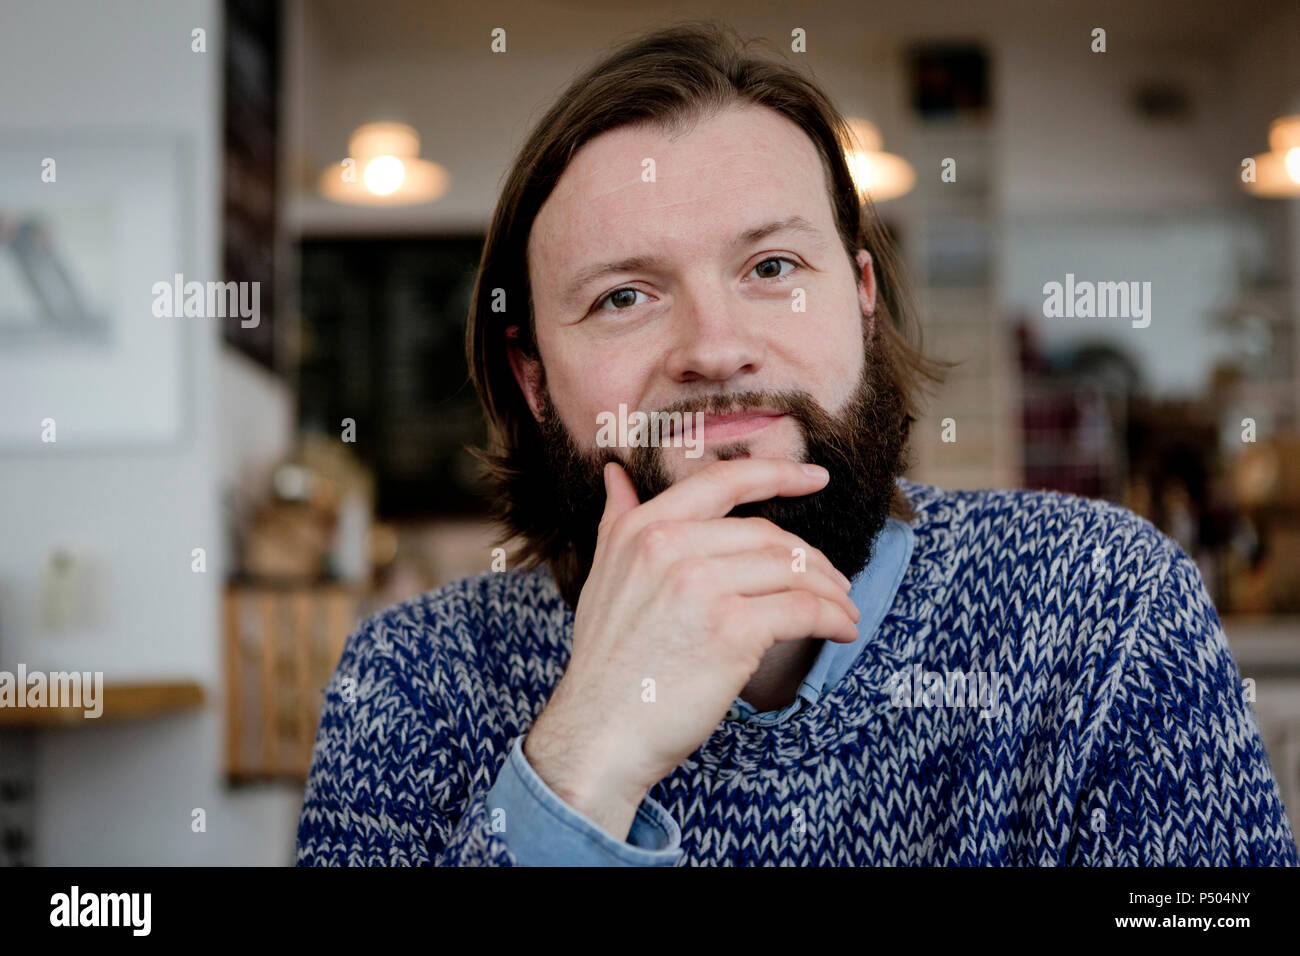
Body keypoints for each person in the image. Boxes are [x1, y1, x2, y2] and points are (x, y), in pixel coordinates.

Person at [296, 22, 1298, 866]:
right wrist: (581, 760)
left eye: (772, 265)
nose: (716, 348)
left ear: (860, 306)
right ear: (533, 377)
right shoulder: (410, 679)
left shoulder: (1100, 604)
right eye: (624, 295)